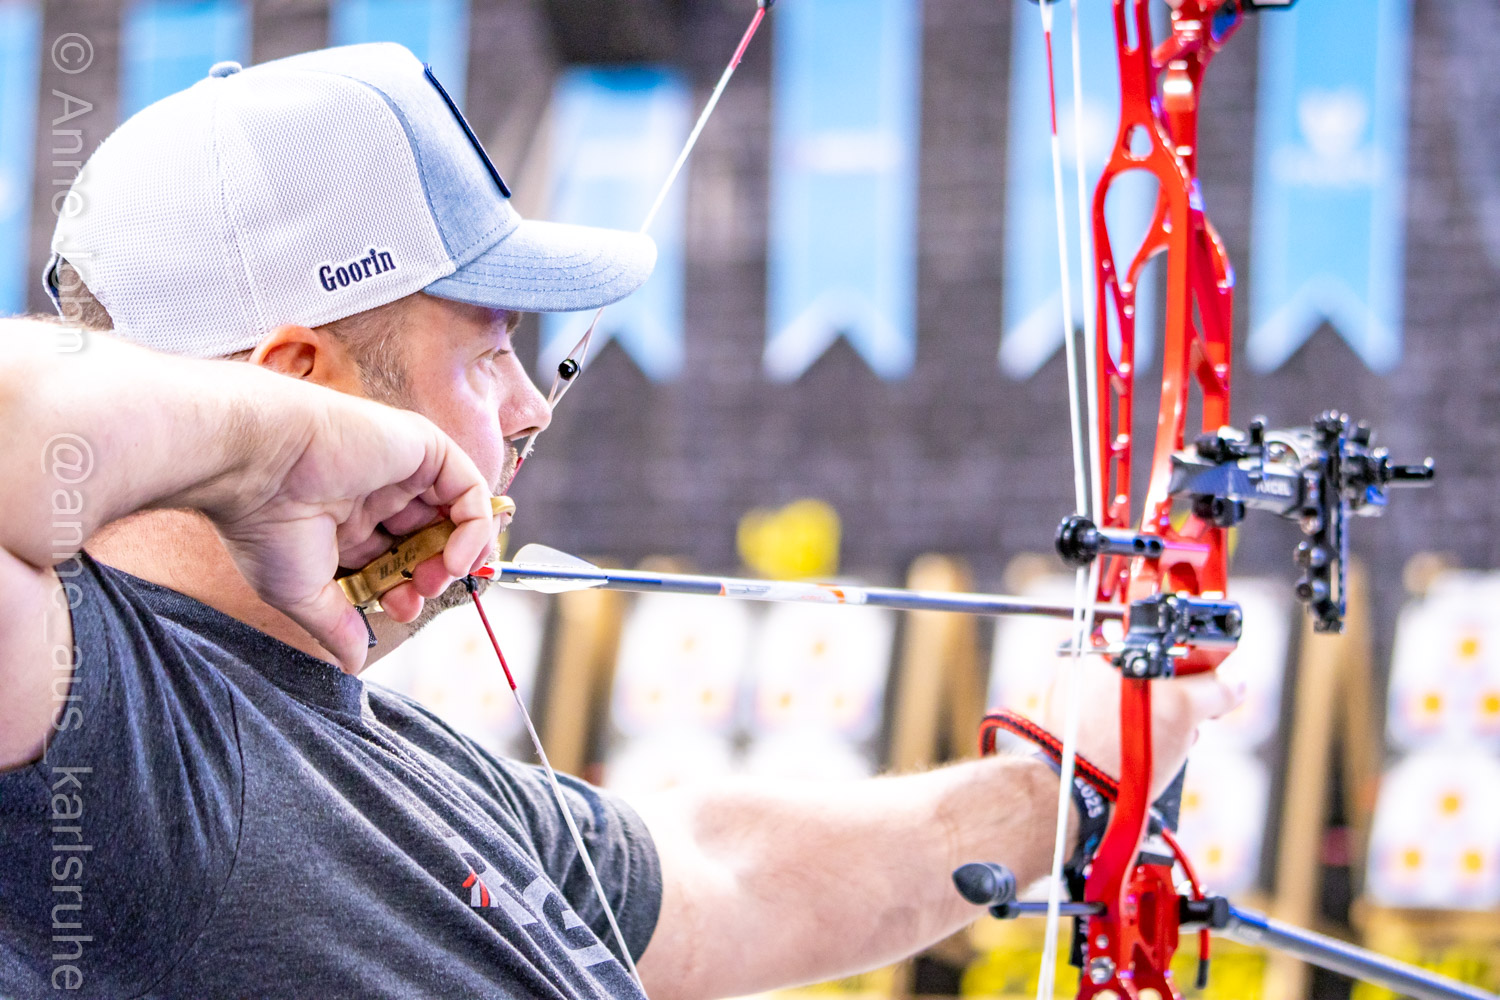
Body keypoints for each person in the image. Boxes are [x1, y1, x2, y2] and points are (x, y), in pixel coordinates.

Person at [0, 44, 1237, 1000]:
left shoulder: (383, 756)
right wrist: (274, 442)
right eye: (485, 351)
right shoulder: (110, 732)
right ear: (299, 384)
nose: (529, 405)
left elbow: (734, 881)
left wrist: (1065, 777)